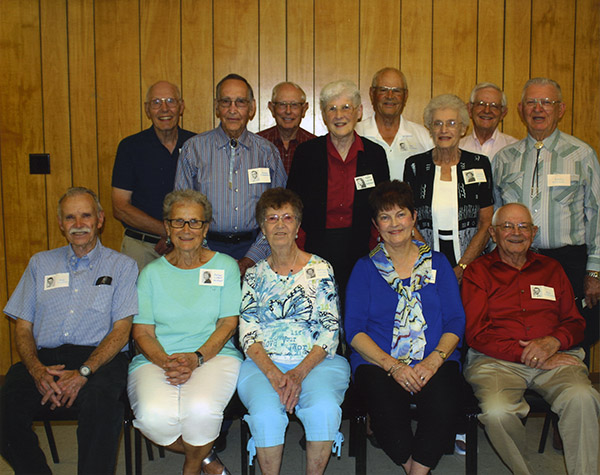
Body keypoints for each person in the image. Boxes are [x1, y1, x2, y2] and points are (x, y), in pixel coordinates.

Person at [0, 187, 138, 474]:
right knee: (4, 412)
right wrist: (37, 370)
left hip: (100, 359)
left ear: (100, 219)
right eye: (70, 217)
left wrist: (84, 372)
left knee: (102, 408)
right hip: (45, 359)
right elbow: (23, 327)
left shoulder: (123, 266)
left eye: (86, 216)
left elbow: (122, 330)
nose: (78, 224)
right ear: (61, 224)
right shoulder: (40, 263)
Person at [462, 203, 600, 475]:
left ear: (534, 232)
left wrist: (553, 342)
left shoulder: (552, 269)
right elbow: (477, 332)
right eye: (508, 226)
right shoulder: (478, 272)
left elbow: (575, 322)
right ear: (492, 233)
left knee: (584, 398)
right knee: (498, 413)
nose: (516, 233)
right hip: (496, 360)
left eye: (524, 226)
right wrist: (529, 354)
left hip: (555, 357)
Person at [345, 180, 465, 475]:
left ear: (413, 218)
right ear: (376, 225)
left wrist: (435, 360)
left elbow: (455, 320)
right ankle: (415, 468)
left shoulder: (438, 264)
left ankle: (417, 471)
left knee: (443, 404)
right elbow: (354, 330)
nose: (394, 223)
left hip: (436, 357)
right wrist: (394, 366)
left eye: (401, 214)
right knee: (386, 412)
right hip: (378, 361)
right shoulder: (364, 268)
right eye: (385, 217)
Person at [127, 190, 241, 475]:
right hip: (157, 358)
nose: (186, 230)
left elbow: (228, 324)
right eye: (178, 222)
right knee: (154, 418)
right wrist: (166, 361)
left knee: (201, 411)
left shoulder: (225, 266)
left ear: (206, 228)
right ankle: (205, 458)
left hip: (214, 356)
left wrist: (196, 358)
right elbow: (141, 332)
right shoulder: (150, 273)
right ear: (167, 227)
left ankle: (190, 468)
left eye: (194, 222)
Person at [237, 188, 350, 475]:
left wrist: (297, 374)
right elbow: (248, 332)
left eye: (287, 217)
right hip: (264, 364)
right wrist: (276, 374)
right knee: (265, 417)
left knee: (323, 411)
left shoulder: (321, 268)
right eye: (271, 218)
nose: (280, 224)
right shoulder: (253, 274)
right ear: (262, 228)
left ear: (298, 226)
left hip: (318, 362)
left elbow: (329, 330)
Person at [493, 77, 600, 363]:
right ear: (520, 108)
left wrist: (595, 271)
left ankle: (566, 404)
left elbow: (597, 214)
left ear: (560, 109)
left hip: (568, 262)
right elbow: (495, 215)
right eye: (531, 102)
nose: (538, 108)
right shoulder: (504, 159)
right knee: (520, 331)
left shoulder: (582, 155)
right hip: (517, 262)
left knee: (574, 333)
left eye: (547, 102)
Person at [175, 74, 287, 276]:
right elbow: (182, 212)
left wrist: (251, 257)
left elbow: (279, 212)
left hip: (258, 252)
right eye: (226, 102)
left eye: (240, 102)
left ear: (251, 107)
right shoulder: (193, 149)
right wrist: (206, 254)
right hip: (205, 252)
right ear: (217, 107)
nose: (232, 109)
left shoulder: (267, 152)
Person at [288, 80, 390, 300]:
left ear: (359, 112)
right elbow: (293, 205)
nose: (339, 115)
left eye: (346, 108)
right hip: (315, 248)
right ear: (324, 116)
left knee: (358, 309)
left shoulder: (375, 155)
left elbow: (383, 207)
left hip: (363, 248)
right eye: (331, 109)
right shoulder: (306, 154)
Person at [404, 94, 494, 284]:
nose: (444, 130)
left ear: (463, 129)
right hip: (425, 261)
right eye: (437, 123)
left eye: (452, 123)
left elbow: (486, 222)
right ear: (429, 128)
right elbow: (408, 219)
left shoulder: (478, 164)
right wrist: (430, 262)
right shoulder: (415, 166)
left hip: (472, 263)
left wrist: (463, 266)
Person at [112, 80, 195, 271]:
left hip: (189, 245)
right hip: (142, 248)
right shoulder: (130, 148)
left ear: (181, 106)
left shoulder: (197, 145)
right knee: (139, 301)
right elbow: (120, 207)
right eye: (156, 102)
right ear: (147, 109)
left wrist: (178, 235)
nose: (164, 109)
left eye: (170, 101)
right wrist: (168, 231)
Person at [355, 67, 433, 180]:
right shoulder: (356, 133)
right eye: (383, 90)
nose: (390, 96)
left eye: (397, 90)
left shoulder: (423, 136)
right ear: (372, 93)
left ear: (405, 96)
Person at [258, 82, 316, 174]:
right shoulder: (256, 144)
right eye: (282, 104)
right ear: (272, 108)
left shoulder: (316, 147)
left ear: (304, 109)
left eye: (294, 105)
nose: (288, 111)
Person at [459, 82, 517, 160]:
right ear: (469, 109)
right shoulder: (457, 148)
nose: (487, 111)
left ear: (503, 113)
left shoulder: (514, 149)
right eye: (481, 104)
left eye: (494, 106)